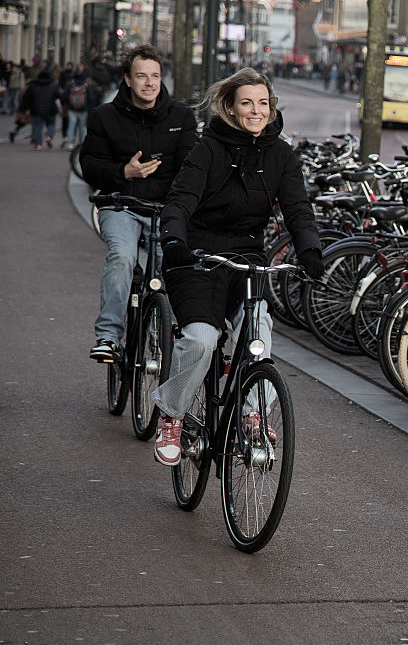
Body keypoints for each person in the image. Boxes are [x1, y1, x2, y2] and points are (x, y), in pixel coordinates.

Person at [150, 67, 323, 466]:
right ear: (230, 107)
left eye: (263, 103)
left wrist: (310, 250)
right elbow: (180, 201)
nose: (256, 110)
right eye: (247, 103)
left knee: (258, 329)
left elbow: (297, 208)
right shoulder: (206, 149)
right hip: (195, 256)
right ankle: (172, 414)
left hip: (246, 257)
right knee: (200, 340)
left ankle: (251, 412)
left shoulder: (281, 154)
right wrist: (175, 241)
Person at [80, 44, 198, 362]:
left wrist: (181, 202)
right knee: (122, 255)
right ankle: (109, 336)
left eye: (155, 76)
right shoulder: (104, 117)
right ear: (128, 80)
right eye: (142, 76)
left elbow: (192, 167)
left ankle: (174, 333)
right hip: (120, 204)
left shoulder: (182, 116)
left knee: (174, 265)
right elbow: (89, 165)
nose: (149, 83)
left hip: (166, 209)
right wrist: (123, 172)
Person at [20, 68, 60, 150]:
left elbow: (26, 98)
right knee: (51, 125)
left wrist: (27, 108)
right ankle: (49, 136)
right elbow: (59, 96)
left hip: (36, 109)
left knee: (37, 126)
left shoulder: (33, 86)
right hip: (50, 110)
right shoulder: (53, 87)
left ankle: (38, 144)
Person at [63, 71, 98, 150]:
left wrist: (69, 104)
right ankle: (82, 143)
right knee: (82, 127)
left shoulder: (70, 85)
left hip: (72, 109)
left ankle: (70, 143)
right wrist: (88, 107)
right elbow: (91, 98)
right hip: (83, 110)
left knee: (71, 126)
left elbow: (64, 96)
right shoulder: (86, 86)